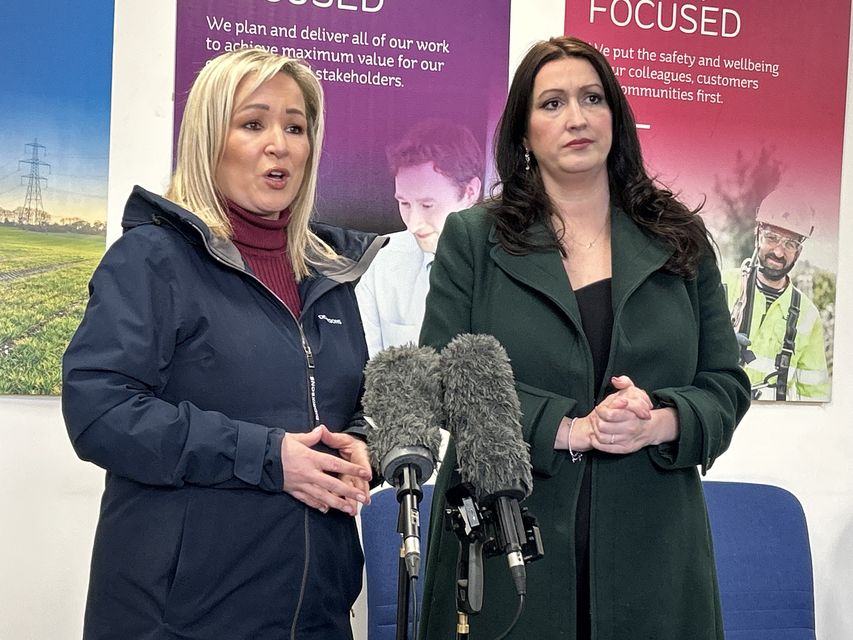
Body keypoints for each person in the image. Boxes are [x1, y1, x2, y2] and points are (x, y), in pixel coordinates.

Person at [417, 36, 751, 640]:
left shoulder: (679, 236)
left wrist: (660, 420)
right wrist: (569, 428)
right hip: (504, 539)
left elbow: (726, 383)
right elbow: (443, 379)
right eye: (551, 103)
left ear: (615, 118)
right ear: (522, 132)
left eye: (592, 98)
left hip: (653, 545)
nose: (576, 117)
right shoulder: (472, 238)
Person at [62, 48, 386, 640]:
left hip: (314, 614)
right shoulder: (151, 260)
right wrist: (267, 457)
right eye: (253, 123)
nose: (280, 144)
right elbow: (99, 413)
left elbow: (345, 409)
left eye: (295, 126)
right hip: (179, 620)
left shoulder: (329, 276)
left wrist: (364, 447)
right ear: (210, 138)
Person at [356, 118, 482, 356]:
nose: (413, 224)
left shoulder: (509, 267)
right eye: (404, 203)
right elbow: (365, 367)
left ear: (470, 192)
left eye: (427, 205)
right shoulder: (381, 263)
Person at [724, 188, 830, 401]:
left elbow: (814, 396)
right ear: (758, 236)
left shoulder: (808, 315)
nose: (779, 252)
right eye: (772, 238)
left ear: (798, 252)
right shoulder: (723, 285)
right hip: (721, 415)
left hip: (776, 424)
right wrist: (719, 346)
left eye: (790, 244)